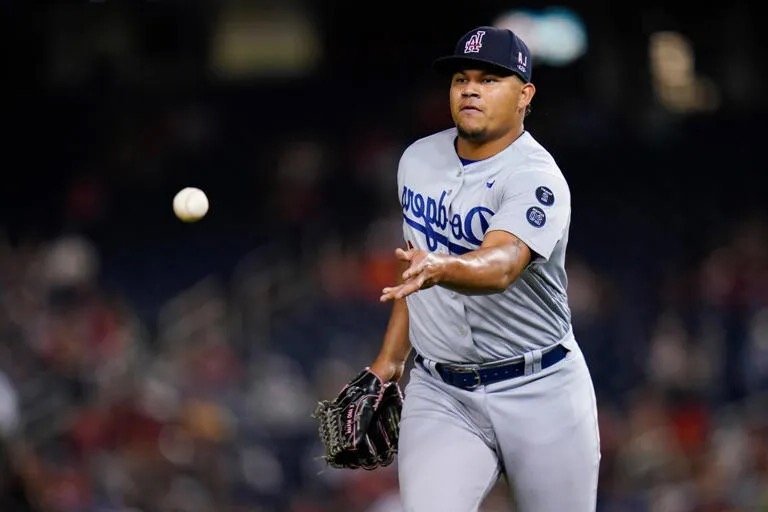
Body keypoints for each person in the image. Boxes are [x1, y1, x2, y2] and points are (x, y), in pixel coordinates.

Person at [369, 25, 601, 511]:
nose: (471, 89)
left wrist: (442, 266)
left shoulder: (536, 177)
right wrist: (389, 363)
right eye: (462, 79)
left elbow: (503, 264)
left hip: (540, 388)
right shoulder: (417, 160)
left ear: (525, 95)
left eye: (490, 79)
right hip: (442, 392)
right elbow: (416, 272)